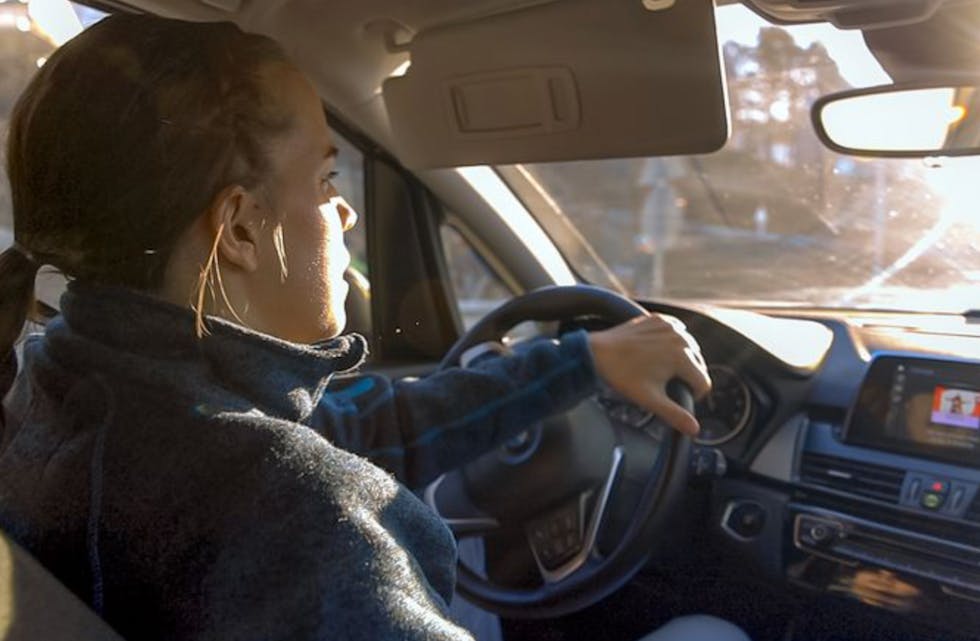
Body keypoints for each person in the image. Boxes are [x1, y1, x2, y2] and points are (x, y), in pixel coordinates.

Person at [0, 14, 740, 641]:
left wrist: (579, 362)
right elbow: (308, 467)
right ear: (240, 229)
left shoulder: (52, 392)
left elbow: (354, 430)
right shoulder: (305, 528)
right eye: (325, 181)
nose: (344, 211)